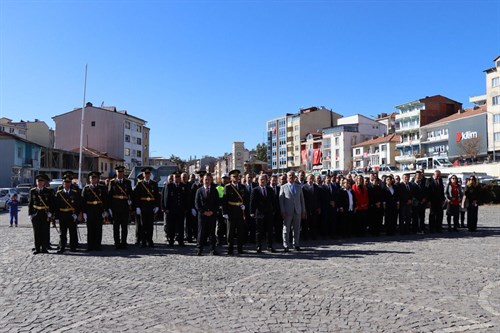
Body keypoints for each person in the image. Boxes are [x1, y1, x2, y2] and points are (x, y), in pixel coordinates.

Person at [133, 167, 160, 248]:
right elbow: (137, 196)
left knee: (150, 225)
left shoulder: (154, 183)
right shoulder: (140, 184)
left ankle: (150, 240)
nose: (147, 175)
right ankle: (143, 241)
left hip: (151, 207)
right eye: (145, 174)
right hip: (143, 207)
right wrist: (137, 207)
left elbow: (157, 196)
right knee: (143, 225)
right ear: (143, 175)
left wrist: (157, 206)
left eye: (148, 173)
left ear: (150, 174)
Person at [279, 171, 306, 252]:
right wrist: (283, 211)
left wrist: (303, 210)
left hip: (297, 211)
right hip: (287, 212)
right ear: (287, 177)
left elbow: (302, 200)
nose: (291, 177)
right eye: (289, 175)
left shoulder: (299, 187)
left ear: (295, 177)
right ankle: (286, 245)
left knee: (297, 229)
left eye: (293, 175)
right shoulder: (283, 187)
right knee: (286, 229)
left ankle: (296, 244)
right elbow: (281, 201)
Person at [53, 175, 81, 253]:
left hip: (71, 215)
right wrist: (56, 217)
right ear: (63, 183)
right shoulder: (59, 193)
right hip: (62, 215)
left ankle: (73, 247)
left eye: (68, 182)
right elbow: (56, 206)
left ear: (70, 183)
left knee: (72, 232)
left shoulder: (74, 193)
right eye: (65, 182)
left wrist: (76, 214)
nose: (67, 184)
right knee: (63, 233)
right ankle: (62, 247)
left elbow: (78, 205)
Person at [82, 171, 109, 251]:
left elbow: (105, 200)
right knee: (90, 229)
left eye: (94, 178)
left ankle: (97, 245)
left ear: (97, 179)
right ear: (89, 179)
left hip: (98, 211)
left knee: (98, 229)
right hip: (90, 211)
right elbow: (83, 201)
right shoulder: (86, 189)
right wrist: (84, 212)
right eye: (91, 178)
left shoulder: (102, 188)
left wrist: (105, 210)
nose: (93, 179)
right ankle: (90, 245)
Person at [108, 165, 133, 249]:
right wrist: (109, 208)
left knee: (124, 227)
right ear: (116, 173)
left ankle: (124, 242)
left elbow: (130, 193)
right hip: (115, 207)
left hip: (124, 207)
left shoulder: (128, 182)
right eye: (119, 172)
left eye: (122, 172)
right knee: (116, 227)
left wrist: (130, 201)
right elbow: (109, 195)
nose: (120, 174)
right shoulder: (112, 182)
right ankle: (117, 243)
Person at [194, 173, 220, 256]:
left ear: (211, 180)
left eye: (209, 179)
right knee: (201, 233)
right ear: (203, 180)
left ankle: (212, 249)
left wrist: (212, 211)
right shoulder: (199, 190)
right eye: (205, 179)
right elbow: (197, 204)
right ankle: (199, 249)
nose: (207, 181)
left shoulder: (214, 190)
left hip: (212, 215)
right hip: (202, 215)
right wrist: (203, 212)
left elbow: (217, 203)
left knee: (212, 233)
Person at [28, 174, 54, 254]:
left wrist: (51, 212)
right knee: (36, 232)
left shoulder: (48, 191)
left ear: (44, 182)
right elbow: (30, 203)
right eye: (38, 181)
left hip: (45, 213)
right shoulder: (32, 191)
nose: (40, 183)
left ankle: (44, 248)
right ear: (36, 182)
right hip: (36, 214)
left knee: (44, 231)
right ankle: (37, 248)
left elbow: (52, 203)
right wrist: (30, 214)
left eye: (41, 181)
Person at [249, 174, 276, 253]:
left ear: (267, 180)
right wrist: (252, 212)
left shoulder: (270, 189)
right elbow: (252, 202)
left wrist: (273, 210)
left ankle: (269, 246)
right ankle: (259, 246)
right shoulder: (255, 190)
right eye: (261, 179)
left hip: (269, 213)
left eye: (264, 179)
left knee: (269, 231)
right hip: (259, 213)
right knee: (259, 231)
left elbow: (273, 201)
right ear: (258, 181)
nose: (262, 181)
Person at [223, 169, 247, 255]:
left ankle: (240, 249)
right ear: (231, 178)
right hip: (231, 212)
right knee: (230, 232)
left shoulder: (242, 187)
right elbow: (224, 201)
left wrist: (245, 206)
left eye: (238, 176)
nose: (236, 178)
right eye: (234, 176)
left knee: (240, 231)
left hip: (240, 212)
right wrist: (224, 212)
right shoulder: (227, 187)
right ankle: (230, 249)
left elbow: (246, 199)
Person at [161, 172, 189, 246]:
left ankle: (180, 240)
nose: (177, 178)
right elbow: (166, 198)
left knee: (180, 226)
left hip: (180, 210)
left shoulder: (183, 186)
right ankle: (171, 240)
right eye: (176, 177)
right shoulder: (169, 186)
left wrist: (186, 208)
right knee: (171, 226)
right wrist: (166, 208)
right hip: (171, 210)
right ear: (173, 178)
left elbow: (186, 198)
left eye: (178, 177)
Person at [302, 174, 321, 240]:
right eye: (310, 178)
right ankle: (305, 236)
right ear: (307, 179)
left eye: (312, 178)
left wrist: (318, 207)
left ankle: (314, 236)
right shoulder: (303, 187)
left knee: (314, 222)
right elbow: (302, 199)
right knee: (306, 223)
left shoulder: (316, 187)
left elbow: (318, 198)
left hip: (314, 208)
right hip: (306, 208)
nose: (311, 180)